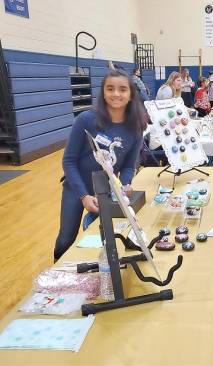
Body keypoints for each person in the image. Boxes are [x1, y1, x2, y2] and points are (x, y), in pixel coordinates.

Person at [54, 69, 147, 260]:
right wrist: (83, 195)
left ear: (130, 94)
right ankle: (58, 275)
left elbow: (129, 165)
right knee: (66, 238)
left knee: (103, 239)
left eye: (122, 89)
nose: (116, 94)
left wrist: (126, 182)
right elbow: (69, 161)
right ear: (103, 92)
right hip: (76, 188)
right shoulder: (86, 120)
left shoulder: (136, 127)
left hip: (106, 193)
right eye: (110, 89)